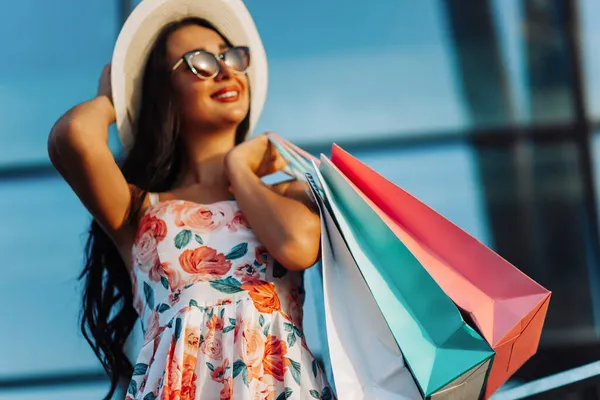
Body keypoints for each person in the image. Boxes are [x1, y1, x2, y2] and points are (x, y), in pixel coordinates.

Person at [47, 0, 332, 398]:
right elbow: (72, 136)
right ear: (163, 90)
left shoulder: (284, 193)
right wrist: (115, 98)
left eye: (230, 56)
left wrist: (238, 168)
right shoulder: (138, 209)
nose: (225, 70)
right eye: (200, 61)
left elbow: (298, 246)